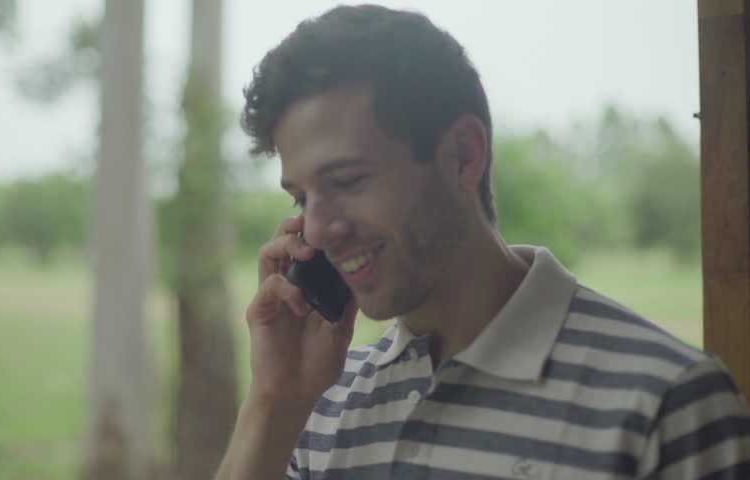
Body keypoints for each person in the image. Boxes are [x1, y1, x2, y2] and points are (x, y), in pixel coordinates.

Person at [215, 5, 750, 479]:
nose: (316, 230)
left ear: (464, 155)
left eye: (349, 181)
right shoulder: (318, 402)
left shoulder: (667, 402)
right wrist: (272, 399)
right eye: (300, 198)